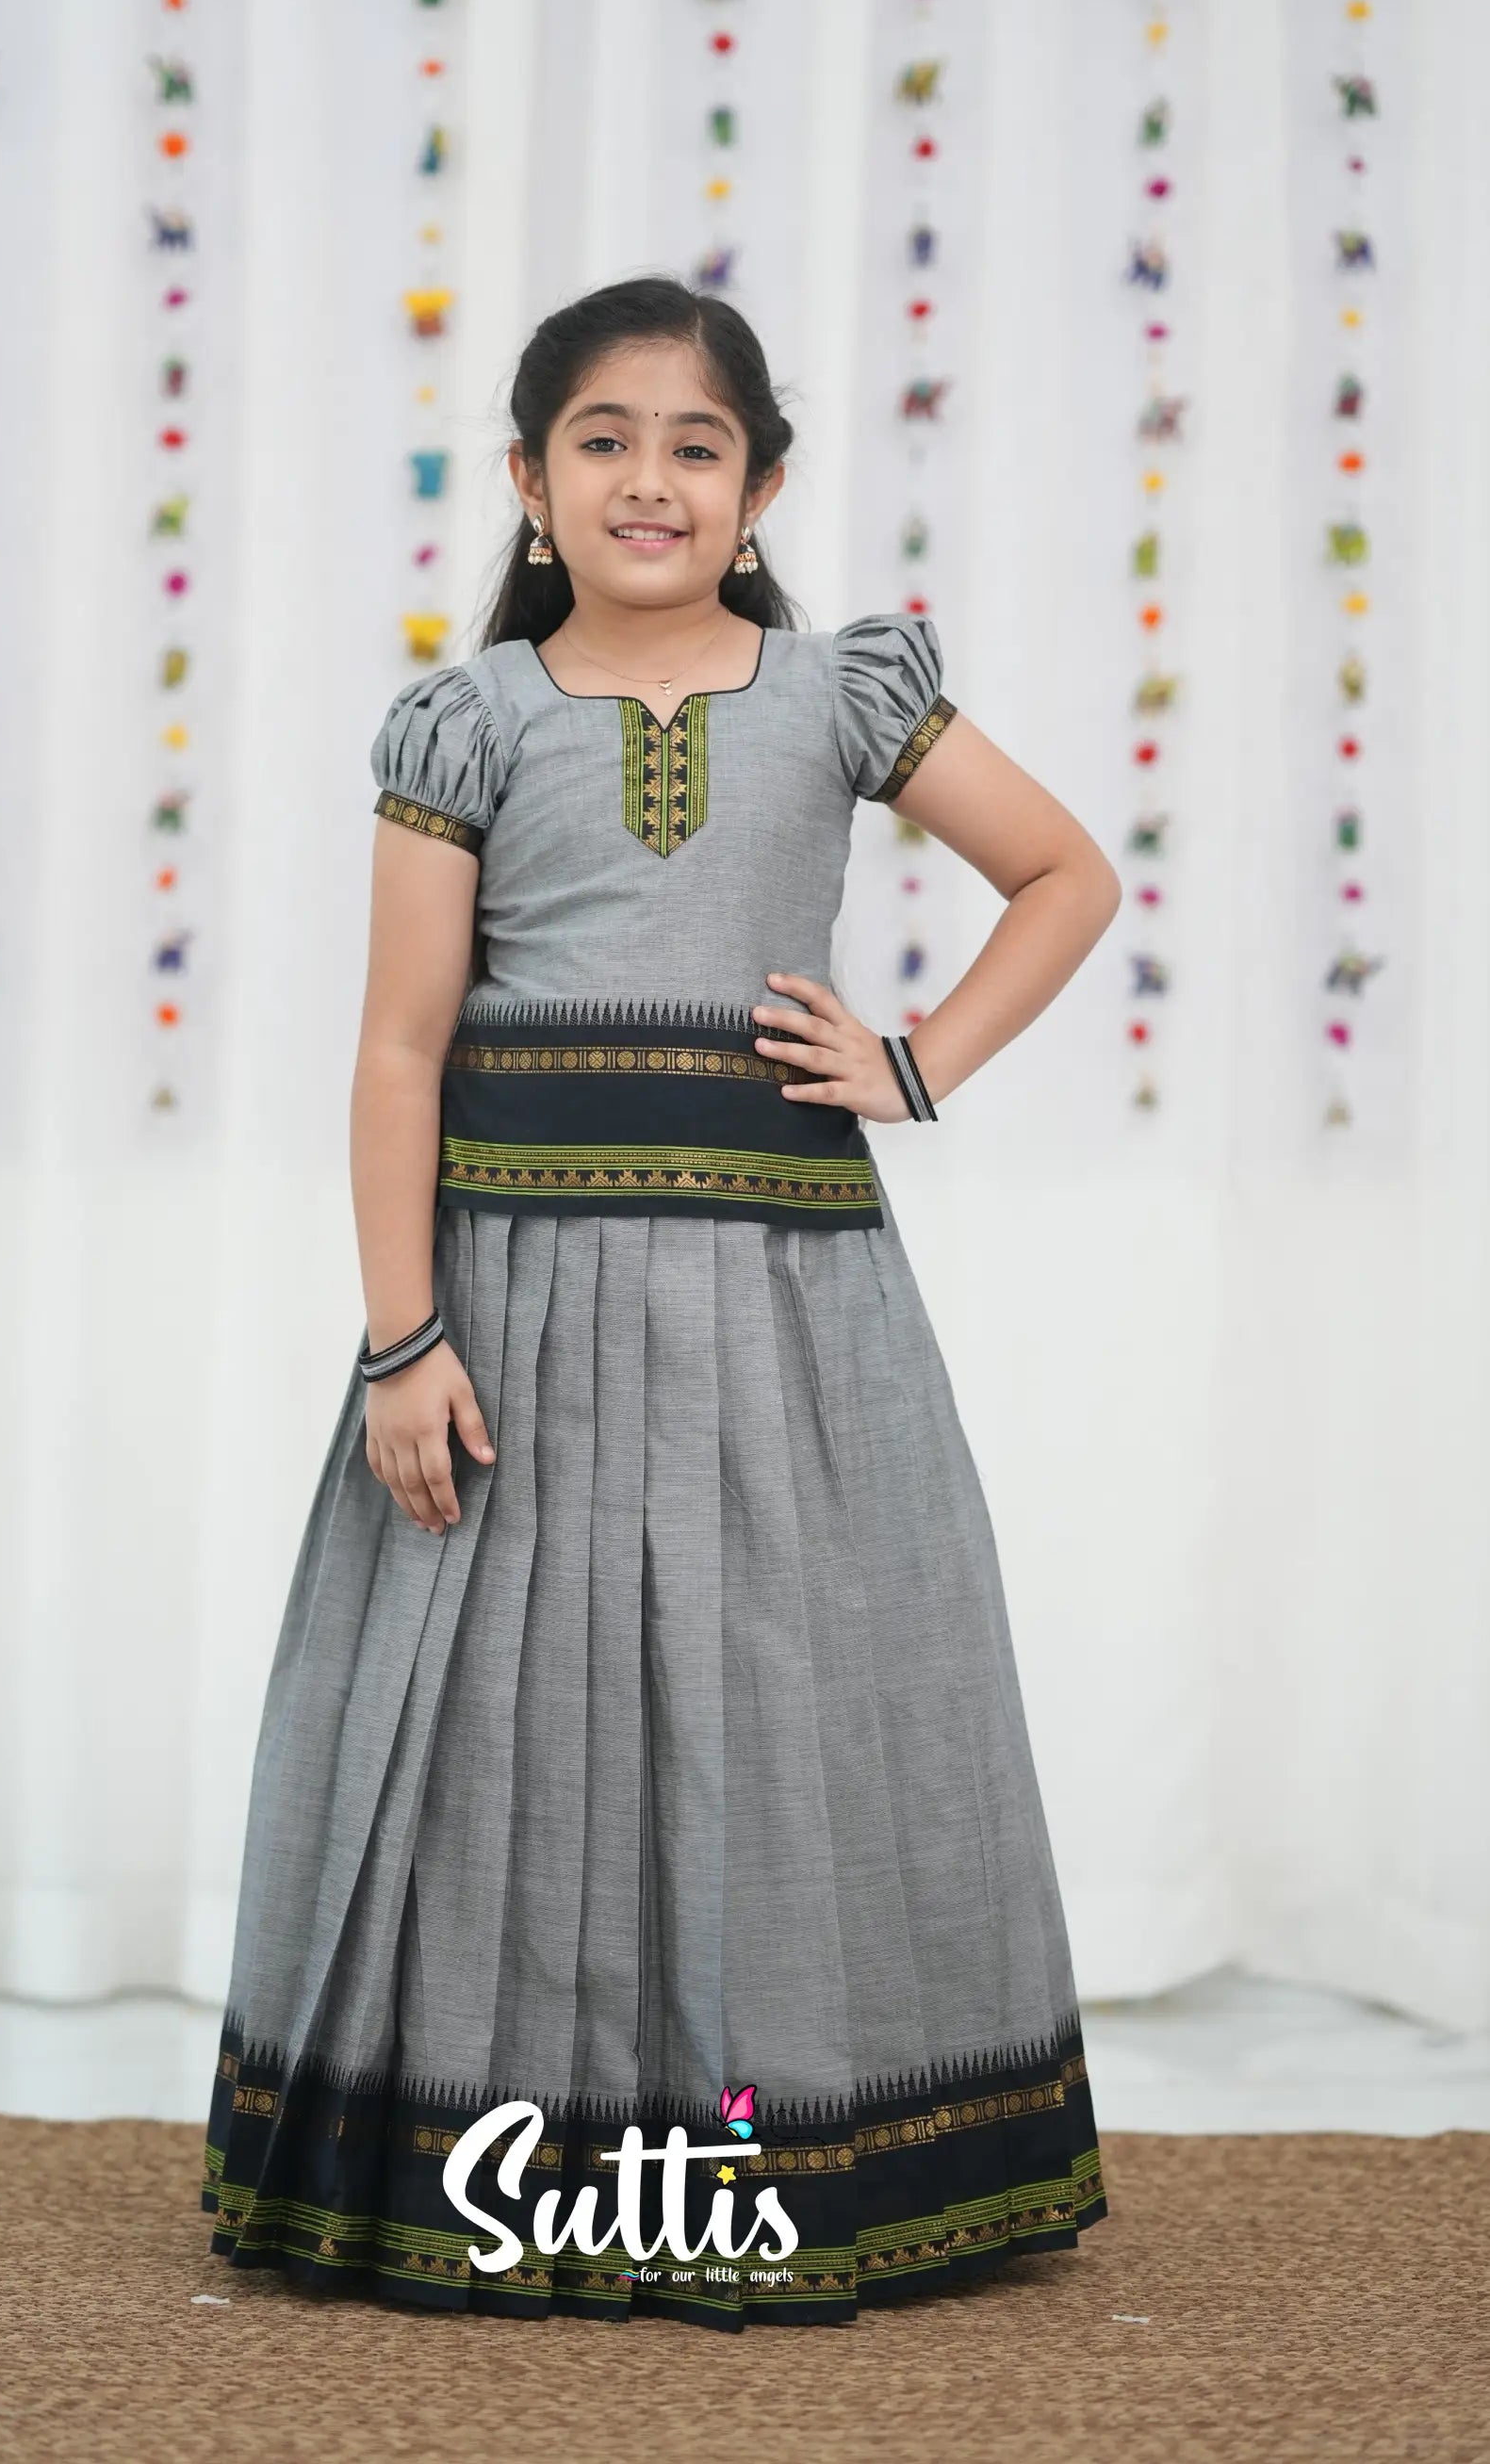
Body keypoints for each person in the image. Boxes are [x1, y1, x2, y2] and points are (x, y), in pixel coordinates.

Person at [202, 275, 1120, 2330]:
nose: (649, 479)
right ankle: (504, 2165)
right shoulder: (470, 725)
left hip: (784, 1307)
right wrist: (401, 1341)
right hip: (508, 1312)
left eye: (696, 445)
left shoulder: (845, 700)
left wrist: (918, 1063)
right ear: (531, 483)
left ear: (760, 485)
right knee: (500, 1720)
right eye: (602, 440)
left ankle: (777, 2158)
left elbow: (1066, 876)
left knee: (780, 1702)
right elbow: (398, 1052)